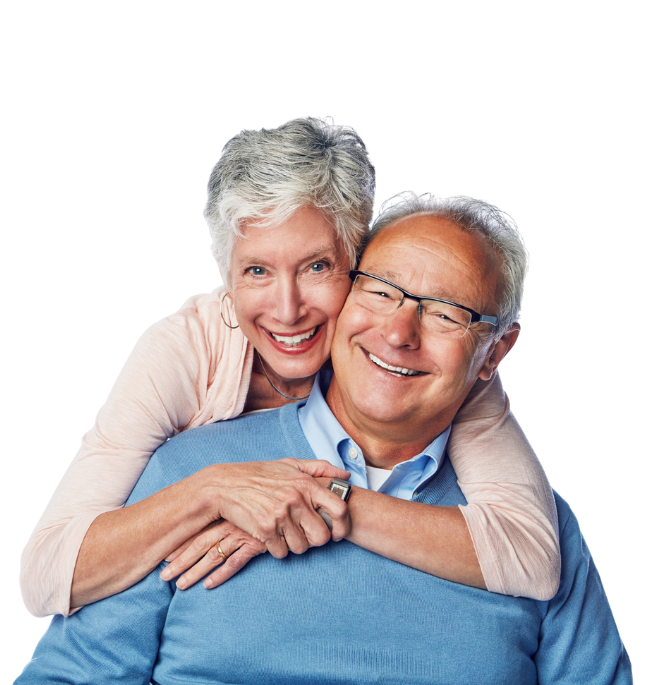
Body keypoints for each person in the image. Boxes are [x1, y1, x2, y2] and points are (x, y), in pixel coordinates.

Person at [14, 194, 632, 684]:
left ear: (496, 351)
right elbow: (70, 673)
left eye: (446, 313)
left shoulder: (536, 525)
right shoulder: (188, 465)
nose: (398, 332)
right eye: (382, 292)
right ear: (347, 298)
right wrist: (210, 492)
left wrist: (326, 501)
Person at [19, 117, 558, 621]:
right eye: (256, 270)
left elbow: (531, 557)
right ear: (226, 275)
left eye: (317, 266)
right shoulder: (183, 350)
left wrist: (316, 505)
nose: (287, 309)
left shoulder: (424, 360)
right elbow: (45, 579)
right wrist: (212, 492)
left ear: (360, 259)